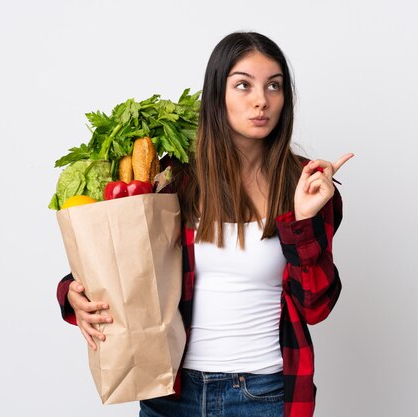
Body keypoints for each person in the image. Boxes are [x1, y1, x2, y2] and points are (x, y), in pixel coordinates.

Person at [56, 31, 353, 417]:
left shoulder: (305, 186)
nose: (261, 100)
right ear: (217, 94)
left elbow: (316, 306)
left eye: (274, 86)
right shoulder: (174, 180)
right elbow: (122, 260)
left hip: (262, 394)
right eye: (243, 85)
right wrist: (71, 294)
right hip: (171, 393)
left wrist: (303, 219)